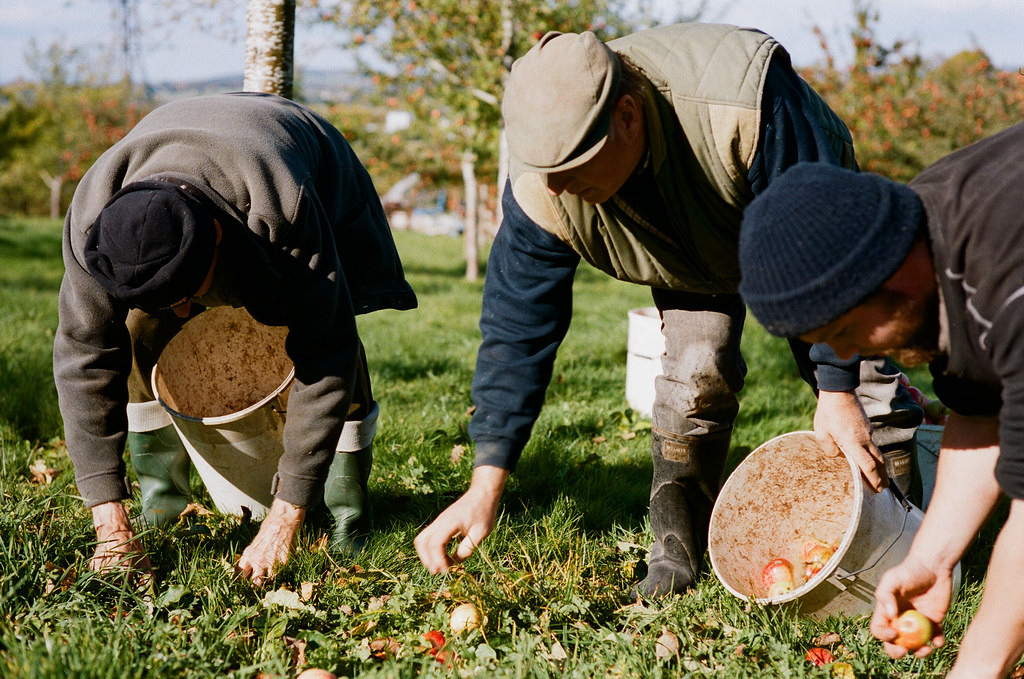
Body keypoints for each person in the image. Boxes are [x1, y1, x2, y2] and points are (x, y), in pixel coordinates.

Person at [413, 23, 922, 598]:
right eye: (544, 171)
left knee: (864, 386)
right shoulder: (544, 181)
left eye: (570, 167)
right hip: (685, 249)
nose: (553, 189)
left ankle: (910, 546)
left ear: (627, 117)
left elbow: (827, 247)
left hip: (801, 221)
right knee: (694, 375)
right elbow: (516, 327)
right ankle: (676, 550)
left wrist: (835, 390)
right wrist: (486, 484)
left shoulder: (744, 104)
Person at [54, 92, 417, 587]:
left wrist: (282, 520)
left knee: (333, 333)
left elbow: (327, 351)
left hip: (304, 163)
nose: (183, 312)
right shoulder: (92, 228)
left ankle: (344, 517)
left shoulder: (282, 205)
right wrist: (107, 523)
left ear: (217, 240)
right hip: (183, 158)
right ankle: (158, 508)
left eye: (188, 293)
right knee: (141, 331)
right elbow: (83, 360)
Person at [737, 121, 1024, 677]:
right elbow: (980, 410)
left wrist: (976, 667)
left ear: (889, 271)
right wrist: (931, 559)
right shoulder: (921, 236)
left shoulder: (1006, 284)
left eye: (845, 331)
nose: (846, 354)